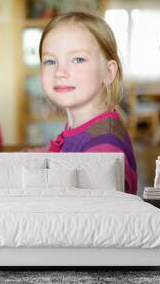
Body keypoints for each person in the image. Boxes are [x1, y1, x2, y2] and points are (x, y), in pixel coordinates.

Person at [39, 12, 137, 194]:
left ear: (108, 72)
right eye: (50, 61)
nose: (60, 72)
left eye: (78, 59)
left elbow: (93, 217)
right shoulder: (84, 127)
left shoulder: (103, 149)